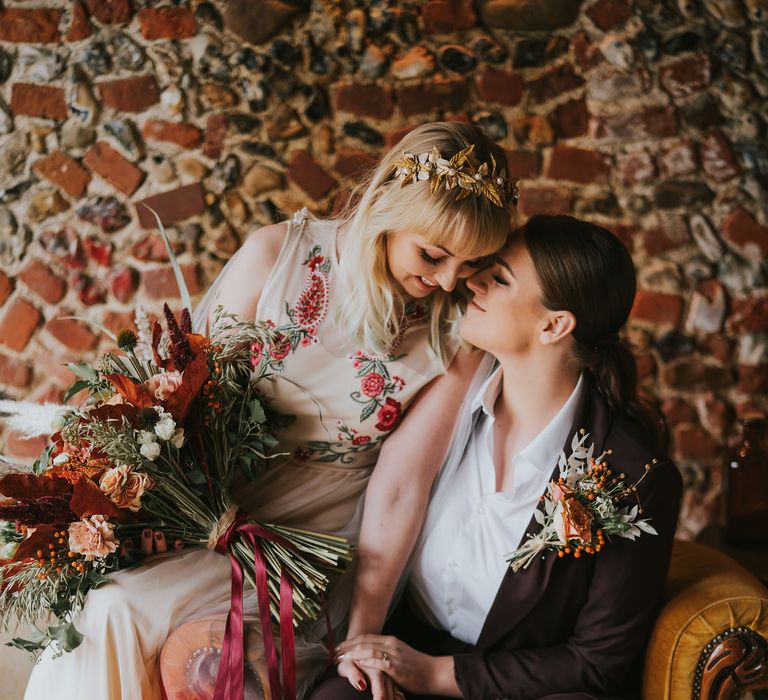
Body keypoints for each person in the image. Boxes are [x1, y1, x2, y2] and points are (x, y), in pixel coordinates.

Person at [23, 122, 516, 700]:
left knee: (121, 611)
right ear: (386, 204)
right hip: (214, 510)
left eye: (470, 264)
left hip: (318, 538)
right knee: (105, 610)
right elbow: (182, 400)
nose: (448, 280)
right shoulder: (276, 256)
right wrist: (144, 511)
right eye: (434, 254)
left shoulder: (456, 335)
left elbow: (402, 484)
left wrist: (365, 633)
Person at [313, 215, 683, 700]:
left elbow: (596, 664)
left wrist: (433, 674)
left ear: (554, 325)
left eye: (500, 277)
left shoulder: (633, 477)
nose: (471, 279)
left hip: (516, 687)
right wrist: (369, 650)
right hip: (402, 654)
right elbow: (395, 487)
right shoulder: (456, 387)